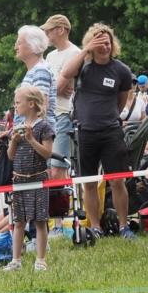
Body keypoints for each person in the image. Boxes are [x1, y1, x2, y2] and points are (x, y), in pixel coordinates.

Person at [59, 23, 135, 239]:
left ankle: (123, 226)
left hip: (111, 131)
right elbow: (65, 73)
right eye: (99, 42)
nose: (104, 46)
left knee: (118, 180)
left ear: (113, 45)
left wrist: (109, 117)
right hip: (85, 132)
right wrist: (86, 50)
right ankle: (95, 227)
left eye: (107, 42)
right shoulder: (83, 66)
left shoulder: (121, 70)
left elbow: (121, 103)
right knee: (89, 183)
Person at [3, 86, 55, 271]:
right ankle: (15, 260)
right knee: (18, 222)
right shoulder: (16, 128)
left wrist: (31, 139)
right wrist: (15, 142)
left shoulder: (44, 128)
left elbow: (47, 153)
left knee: (40, 221)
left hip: (38, 180)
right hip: (19, 181)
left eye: (18, 102)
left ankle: (40, 260)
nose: (15, 106)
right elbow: (10, 156)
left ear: (31, 104)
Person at [43, 14, 80, 235]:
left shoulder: (74, 53)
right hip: (50, 115)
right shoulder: (50, 56)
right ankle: (51, 221)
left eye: (49, 30)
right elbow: (52, 87)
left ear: (61, 30)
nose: (46, 34)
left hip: (64, 114)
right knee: (48, 169)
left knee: (58, 168)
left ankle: (57, 223)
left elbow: (56, 89)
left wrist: (55, 88)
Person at [14, 25, 56, 118]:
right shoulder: (35, 71)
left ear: (33, 45)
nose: (15, 47)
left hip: (35, 132)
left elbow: (40, 108)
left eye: (19, 43)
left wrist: (26, 131)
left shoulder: (40, 71)